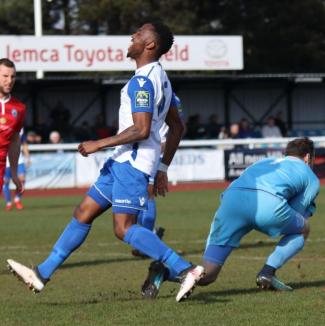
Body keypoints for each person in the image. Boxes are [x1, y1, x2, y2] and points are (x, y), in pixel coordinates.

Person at [6, 22, 204, 303]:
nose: (132, 35)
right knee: (83, 212)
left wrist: (96, 144)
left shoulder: (143, 82)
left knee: (123, 228)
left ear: (150, 45)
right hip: (121, 162)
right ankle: (42, 273)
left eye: (139, 34)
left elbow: (142, 129)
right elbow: (177, 127)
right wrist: (162, 168)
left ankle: (185, 269)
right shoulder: (161, 78)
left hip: (132, 164)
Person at [141, 137, 320, 299]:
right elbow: (295, 212)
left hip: (231, 201)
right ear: (307, 158)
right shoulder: (310, 176)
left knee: (208, 274)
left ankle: (164, 273)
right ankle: (268, 271)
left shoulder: (266, 162)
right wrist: (307, 212)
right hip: (267, 206)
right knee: (304, 228)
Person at [131, 92, 184, 258]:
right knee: (139, 196)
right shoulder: (165, 94)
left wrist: (162, 145)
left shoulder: (154, 93)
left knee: (148, 194)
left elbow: (177, 126)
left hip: (152, 150)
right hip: (144, 150)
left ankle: (146, 243)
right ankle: (148, 237)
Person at [0, 58, 25, 203]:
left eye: (12, 76)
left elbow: (15, 141)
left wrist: (14, 173)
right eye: (5, 76)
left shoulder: (19, 108)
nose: (9, 81)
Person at [3, 128, 30, 210]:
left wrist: (28, 157)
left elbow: (24, 144)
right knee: (5, 181)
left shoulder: (19, 128)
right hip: (5, 160)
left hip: (19, 159)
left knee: (22, 179)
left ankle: (17, 199)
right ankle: (8, 203)